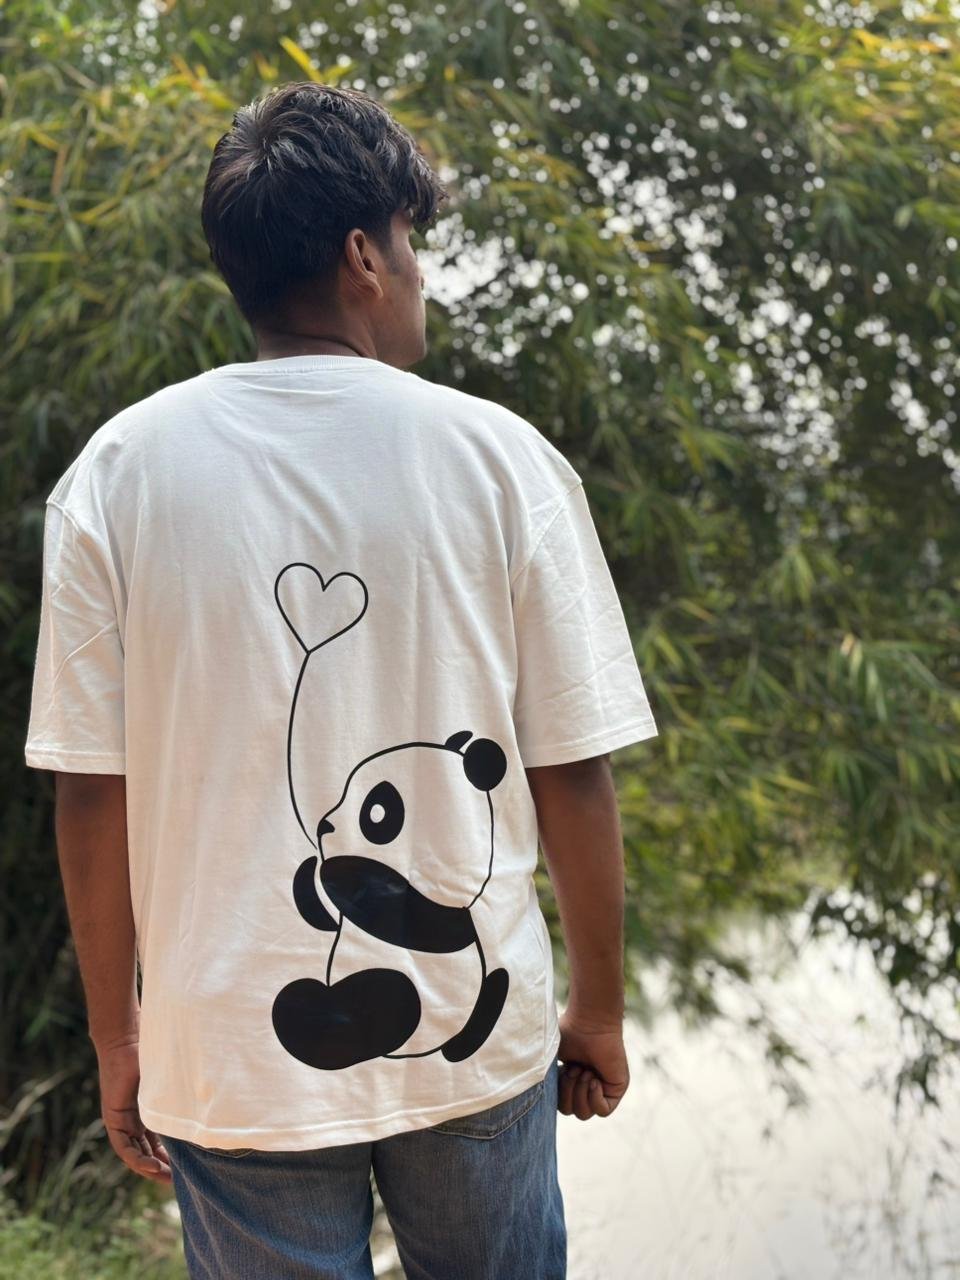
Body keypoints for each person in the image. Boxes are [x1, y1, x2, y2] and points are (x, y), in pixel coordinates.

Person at [23, 82, 658, 1279]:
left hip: (228, 1051)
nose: (419, 274)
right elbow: (571, 767)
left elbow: (91, 790)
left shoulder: (119, 472)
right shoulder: (502, 460)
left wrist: (121, 1035)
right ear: (366, 256)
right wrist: (598, 1009)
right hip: (475, 1043)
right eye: (412, 242)